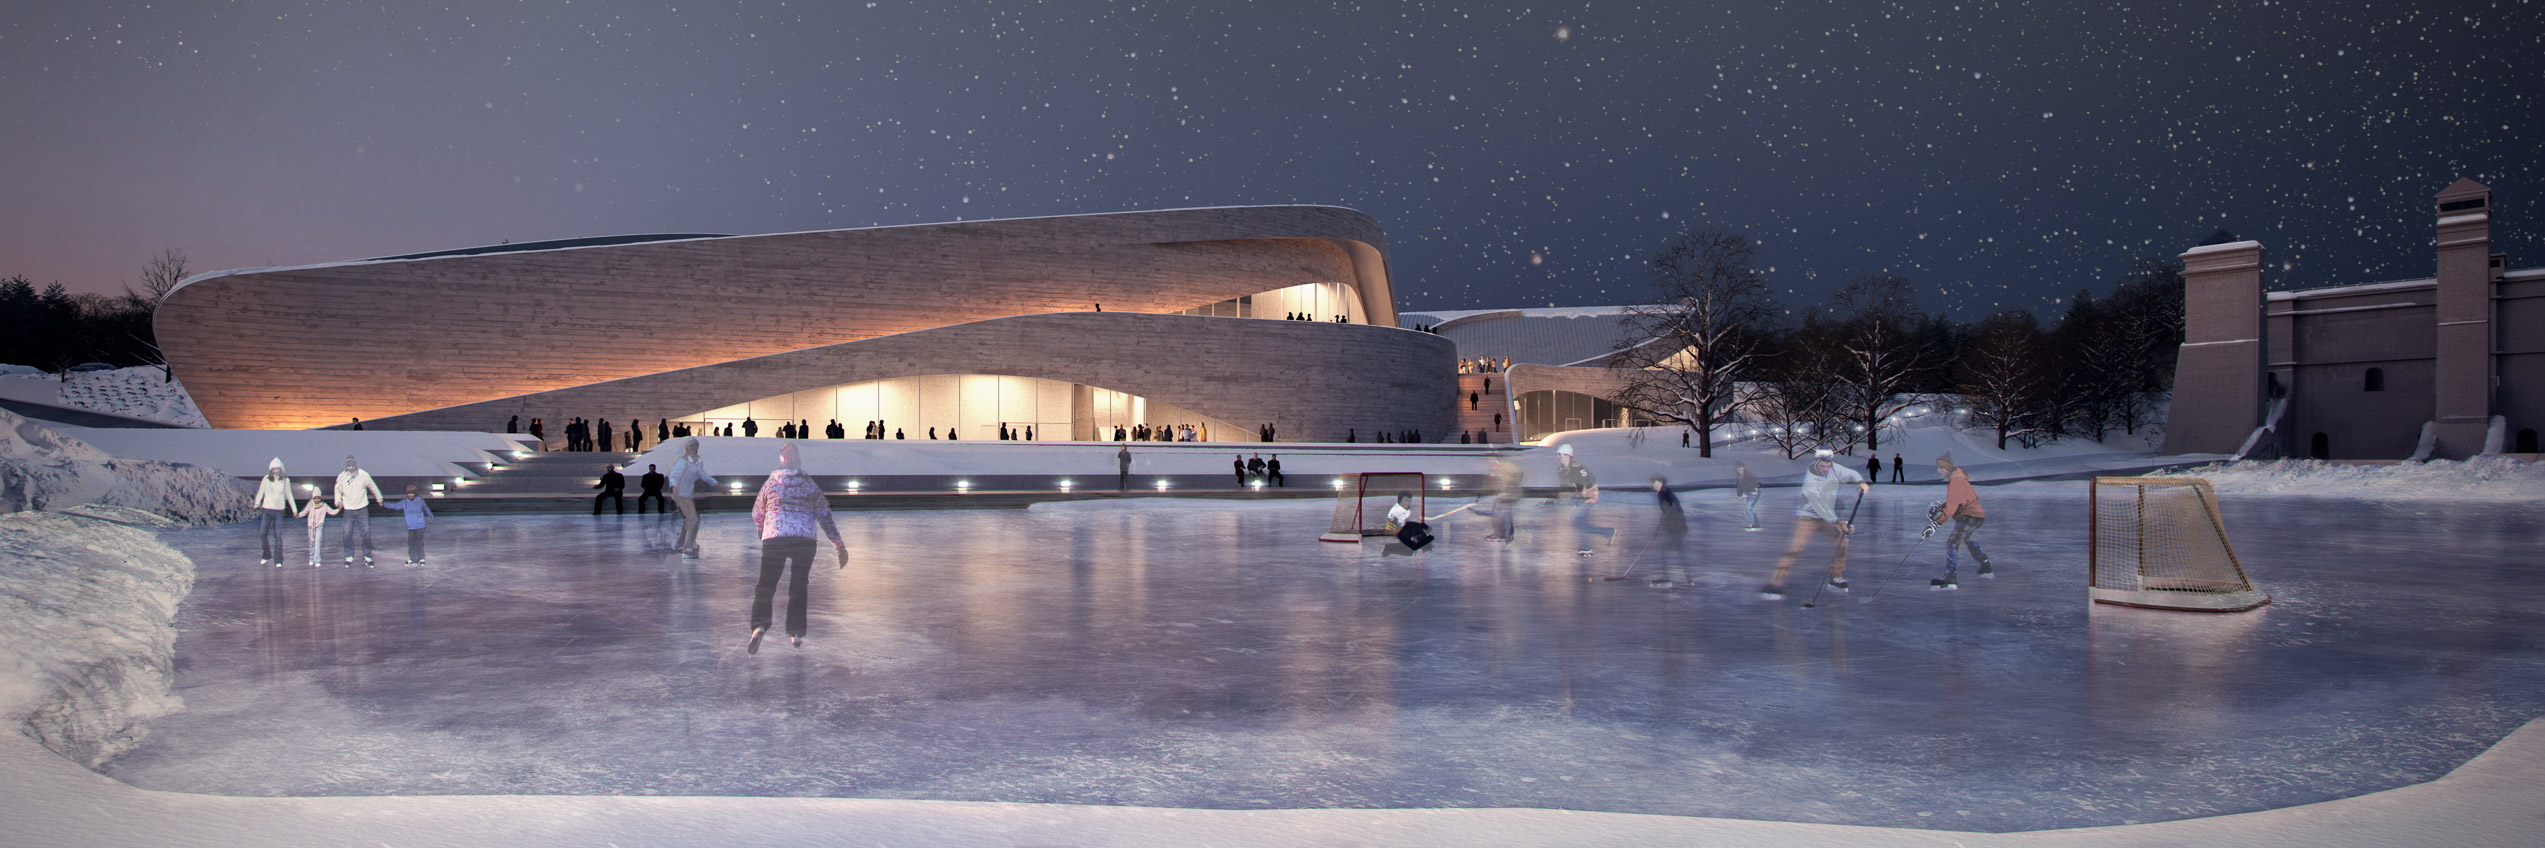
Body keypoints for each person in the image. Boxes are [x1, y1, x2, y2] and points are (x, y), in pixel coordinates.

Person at [746, 443, 847, 654]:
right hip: (804, 540)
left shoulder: (771, 483)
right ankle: (796, 632)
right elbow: (824, 515)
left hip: (775, 538)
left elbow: (757, 512)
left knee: (766, 584)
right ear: (799, 462)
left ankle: (759, 626)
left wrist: (762, 531)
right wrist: (838, 545)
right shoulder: (809, 484)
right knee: (798, 585)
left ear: (780, 461)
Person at [1764, 449, 1871, 599]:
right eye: (1823, 465)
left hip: (1825, 518)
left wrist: (1860, 483)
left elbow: (1850, 474)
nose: (1826, 468)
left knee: (1843, 541)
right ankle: (1774, 583)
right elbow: (1821, 507)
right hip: (1807, 517)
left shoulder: (1833, 468)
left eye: (1828, 465)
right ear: (1816, 462)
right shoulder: (1813, 478)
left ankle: (1835, 576)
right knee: (1796, 548)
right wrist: (1839, 522)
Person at [1929, 453, 1993, 590]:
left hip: (1969, 516)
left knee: (1952, 543)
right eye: (1938, 468)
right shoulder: (1958, 479)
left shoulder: (1956, 481)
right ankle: (1986, 565)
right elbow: (1956, 501)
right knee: (1966, 540)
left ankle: (1950, 579)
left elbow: (1952, 506)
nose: (1939, 471)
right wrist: (1941, 507)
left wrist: (1936, 523)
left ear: (1948, 467)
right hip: (1974, 516)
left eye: (1941, 468)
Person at [1556, 444, 1611, 554]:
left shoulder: (1577, 467)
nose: (1560, 457)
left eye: (1562, 454)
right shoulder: (1561, 469)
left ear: (1569, 456)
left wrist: (1586, 489)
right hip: (1579, 496)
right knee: (1580, 522)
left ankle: (1587, 547)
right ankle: (1608, 532)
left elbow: (1588, 479)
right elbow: (1564, 484)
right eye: (1558, 455)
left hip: (1589, 495)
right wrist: (1562, 493)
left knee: (1576, 520)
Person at [669, 437, 717, 557]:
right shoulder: (682, 461)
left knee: (691, 519)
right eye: (692, 446)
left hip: (688, 495)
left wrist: (717, 484)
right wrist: (674, 488)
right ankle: (686, 545)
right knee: (692, 518)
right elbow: (674, 477)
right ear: (686, 447)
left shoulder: (697, 461)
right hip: (680, 495)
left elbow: (703, 475)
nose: (694, 448)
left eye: (696, 445)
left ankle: (683, 542)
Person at [334, 456, 384, 565]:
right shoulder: (341, 476)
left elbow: (373, 487)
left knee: (366, 532)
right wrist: (338, 501)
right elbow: (337, 490)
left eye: (352, 465)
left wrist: (379, 498)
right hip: (348, 510)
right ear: (346, 466)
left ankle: (367, 555)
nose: (351, 468)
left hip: (362, 509)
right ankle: (349, 555)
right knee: (347, 533)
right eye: (348, 466)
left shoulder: (363, 474)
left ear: (355, 465)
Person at [254, 458, 298, 566]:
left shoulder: (285, 480)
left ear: (281, 469)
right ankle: (266, 555)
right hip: (267, 510)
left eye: (277, 468)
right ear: (270, 469)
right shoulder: (266, 479)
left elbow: (289, 495)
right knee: (262, 534)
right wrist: (256, 504)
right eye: (273, 469)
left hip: (279, 512)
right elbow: (261, 492)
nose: (275, 471)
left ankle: (278, 560)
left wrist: (294, 509)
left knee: (278, 536)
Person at [1650, 477, 1689, 579]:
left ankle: (1666, 577)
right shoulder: (1664, 493)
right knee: (1680, 551)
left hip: (1675, 527)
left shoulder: (1664, 494)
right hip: (1678, 526)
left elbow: (1669, 512)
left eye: (1655, 483)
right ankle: (1689, 578)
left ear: (1661, 483)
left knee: (1665, 551)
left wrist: (1658, 529)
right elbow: (1667, 512)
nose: (1653, 485)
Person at [384, 484, 433, 565]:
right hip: (411, 527)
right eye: (409, 493)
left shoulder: (419, 500)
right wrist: (384, 504)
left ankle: (421, 558)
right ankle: (412, 558)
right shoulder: (405, 502)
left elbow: (426, 508)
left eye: (412, 493)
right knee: (411, 543)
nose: (410, 495)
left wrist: (431, 517)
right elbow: (395, 506)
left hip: (420, 526)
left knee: (419, 542)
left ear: (415, 493)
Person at [296, 489, 339, 567]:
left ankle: (317, 560)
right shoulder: (310, 504)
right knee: (311, 543)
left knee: (317, 543)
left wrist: (339, 509)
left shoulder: (324, 505)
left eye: (318, 498)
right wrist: (298, 515)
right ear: (313, 498)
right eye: (315, 498)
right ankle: (311, 558)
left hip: (319, 527)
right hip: (311, 527)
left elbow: (332, 512)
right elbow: (304, 512)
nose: (317, 500)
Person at [1733, 462, 1763, 530]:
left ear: (1744, 468)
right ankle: (1756, 524)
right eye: (1738, 469)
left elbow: (1754, 485)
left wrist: (1754, 490)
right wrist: (1739, 496)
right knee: (1749, 509)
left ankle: (1753, 525)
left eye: (1740, 469)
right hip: (1749, 494)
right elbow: (1739, 489)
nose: (1739, 471)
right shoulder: (1740, 478)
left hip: (1754, 493)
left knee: (1748, 508)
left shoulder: (1748, 476)